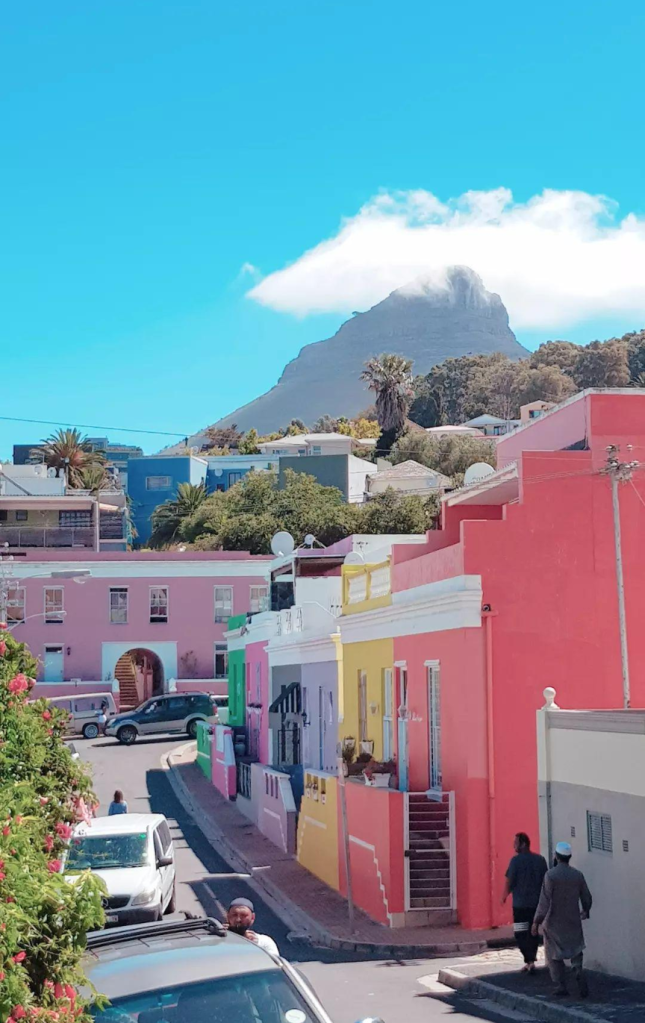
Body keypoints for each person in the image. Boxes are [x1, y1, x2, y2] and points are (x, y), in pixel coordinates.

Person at [532, 841, 592, 998]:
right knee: (576, 948)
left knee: (553, 954)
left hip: (553, 922)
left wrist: (536, 921)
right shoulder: (577, 875)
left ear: (556, 857)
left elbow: (544, 901)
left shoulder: (550, 875)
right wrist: (586, 910)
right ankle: (577, 969)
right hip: (573, 918)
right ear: (569, 857)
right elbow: (586, 896)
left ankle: (560, 985)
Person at [501, 832, 548, 972]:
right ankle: (531, 960)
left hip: (520, 905)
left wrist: (504, 895)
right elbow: (546, 881)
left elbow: (509, 880)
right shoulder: (540, 860)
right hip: (536, 905)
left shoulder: (515, 861)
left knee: (521, 932)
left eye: (516, 843)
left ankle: (529, 959)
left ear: (523, 844)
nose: (514, 845)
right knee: (533, 931)